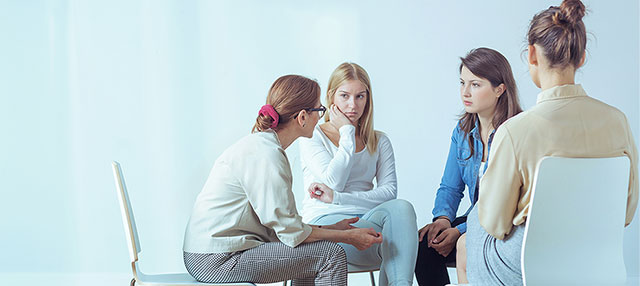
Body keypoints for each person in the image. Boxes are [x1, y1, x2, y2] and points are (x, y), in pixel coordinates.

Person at [459, 1, 639, 285]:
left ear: (531, 54)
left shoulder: (515, 131)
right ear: (580, 58)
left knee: (475, 223)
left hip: (531, 263)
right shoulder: (618, 122)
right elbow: (626, 213)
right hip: (598, 256)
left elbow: (495, 223)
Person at [182, 75, 383, 286]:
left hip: (215, 253)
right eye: (319, 110)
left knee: (314, 253)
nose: (321, 116)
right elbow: (291, 233)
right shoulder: (266, 155)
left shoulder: (266, 148)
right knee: (329, 255)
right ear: (303, 117)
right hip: (216, 260)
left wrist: (333, 228)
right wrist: (348, 237)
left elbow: (288, 229)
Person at [298, 62, 418, 286]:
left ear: (368, 98)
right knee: (398, 243)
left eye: (360, 96)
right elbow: (335, 181)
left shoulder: (379, 140)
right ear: (331, 97)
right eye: (344, 96)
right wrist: (346, 132)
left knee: (402, 208)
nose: (352, 105)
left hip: (369, 222)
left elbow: (389, 193)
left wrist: (338, 198)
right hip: (326, 225)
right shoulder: (312, 136)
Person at [414, 48, 523, 286]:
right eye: (462, 82)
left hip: (505, 224)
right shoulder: (462, 133)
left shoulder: (517, 131)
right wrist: (442, 220)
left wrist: (461, 230)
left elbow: (506, 201)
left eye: (475, 84)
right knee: (424, 244)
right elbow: (450, 187)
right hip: (474, 219)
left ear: (499, 89)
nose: (465, 92)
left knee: (465, 242)